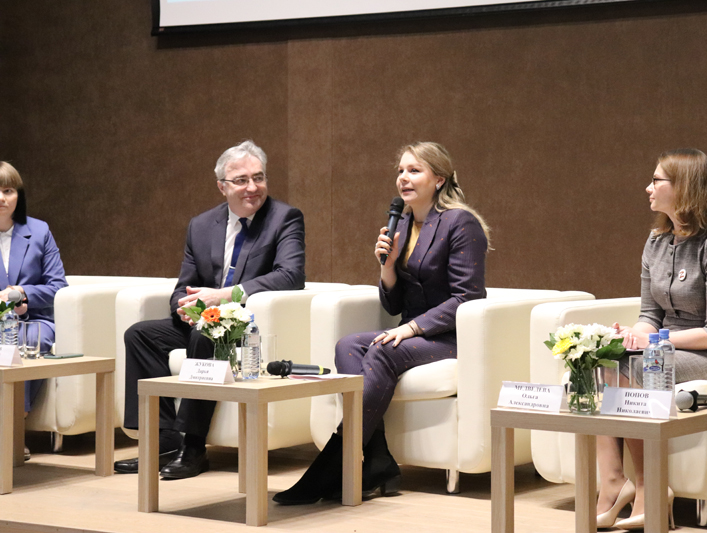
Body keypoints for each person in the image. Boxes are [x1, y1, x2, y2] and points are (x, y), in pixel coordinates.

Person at [274, 141, 490, 505]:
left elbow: (467, 297)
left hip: (450, 335)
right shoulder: (402, 224)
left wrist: (411, 328)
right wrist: (387, 268)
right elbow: (393, 305)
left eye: (414, 170)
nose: (403, 178)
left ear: (439, 179)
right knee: (347, 345)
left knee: (382, 351)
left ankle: (337, 458)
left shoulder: (460, 222)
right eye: (400, 171)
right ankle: (377, 459)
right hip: (414, 331)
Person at [113, 140, 305, 478]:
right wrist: (186, 308)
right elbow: (183, 286)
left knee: (206, 336)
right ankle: (162, 440)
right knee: (140, 335)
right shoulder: (201, 225)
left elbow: (291, 275)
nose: (252, 187)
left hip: (248, 325)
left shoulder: (284, 218)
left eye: (258, 177)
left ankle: (193, 447)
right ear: (222, 187)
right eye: (241, 180)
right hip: (206, 319)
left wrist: (225, 296)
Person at [596, 148, 707, 530]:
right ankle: (612, 482)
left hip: (701, 353)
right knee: (603, 358)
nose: (648, 188)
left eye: (656, 180)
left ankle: (650, 486)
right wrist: (632, 336)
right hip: (662, 347)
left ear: (683, 187)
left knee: (636, 365)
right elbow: (650, 316)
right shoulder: (656, 242)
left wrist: (657, 343)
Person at [0, 162, 68, 459]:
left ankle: (14, 429)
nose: (1, 198)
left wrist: (23, 293)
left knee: (27, 340)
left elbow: (58, 287)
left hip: (34, 319)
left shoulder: (39, 231)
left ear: (19, 195)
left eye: (8, 191)